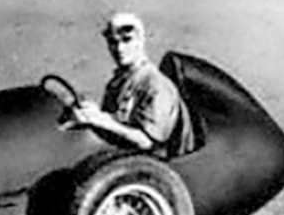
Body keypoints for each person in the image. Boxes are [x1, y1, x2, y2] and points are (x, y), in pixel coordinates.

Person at [68, 12, 193, 156]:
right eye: (113, 42)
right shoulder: (118, 83)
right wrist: (92, 116)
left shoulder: (156, 84)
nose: (119, 48)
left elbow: (146, 142)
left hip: (148, 165)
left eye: (127, 40)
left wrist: (101, 121)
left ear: (140, 40)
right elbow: (114, 130)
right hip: (120, 160)